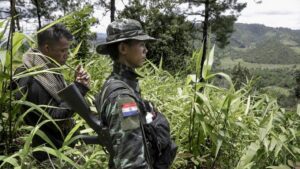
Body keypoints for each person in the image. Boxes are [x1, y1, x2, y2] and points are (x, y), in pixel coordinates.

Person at [94, 19, 176, 169]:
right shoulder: (122, 97)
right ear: (123, 48)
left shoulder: (119, 83)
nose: (146, 50)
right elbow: (131, 162)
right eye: (141, 44)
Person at [12, 23, 90, 162]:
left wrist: (77, 86)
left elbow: (58, 102)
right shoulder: (31, 77)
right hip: (48, 156)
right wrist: (79, 88)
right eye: (62, 50)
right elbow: (54, 118)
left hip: (59, 149)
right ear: (47, 48)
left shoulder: (48, 69)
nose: (66, 55)